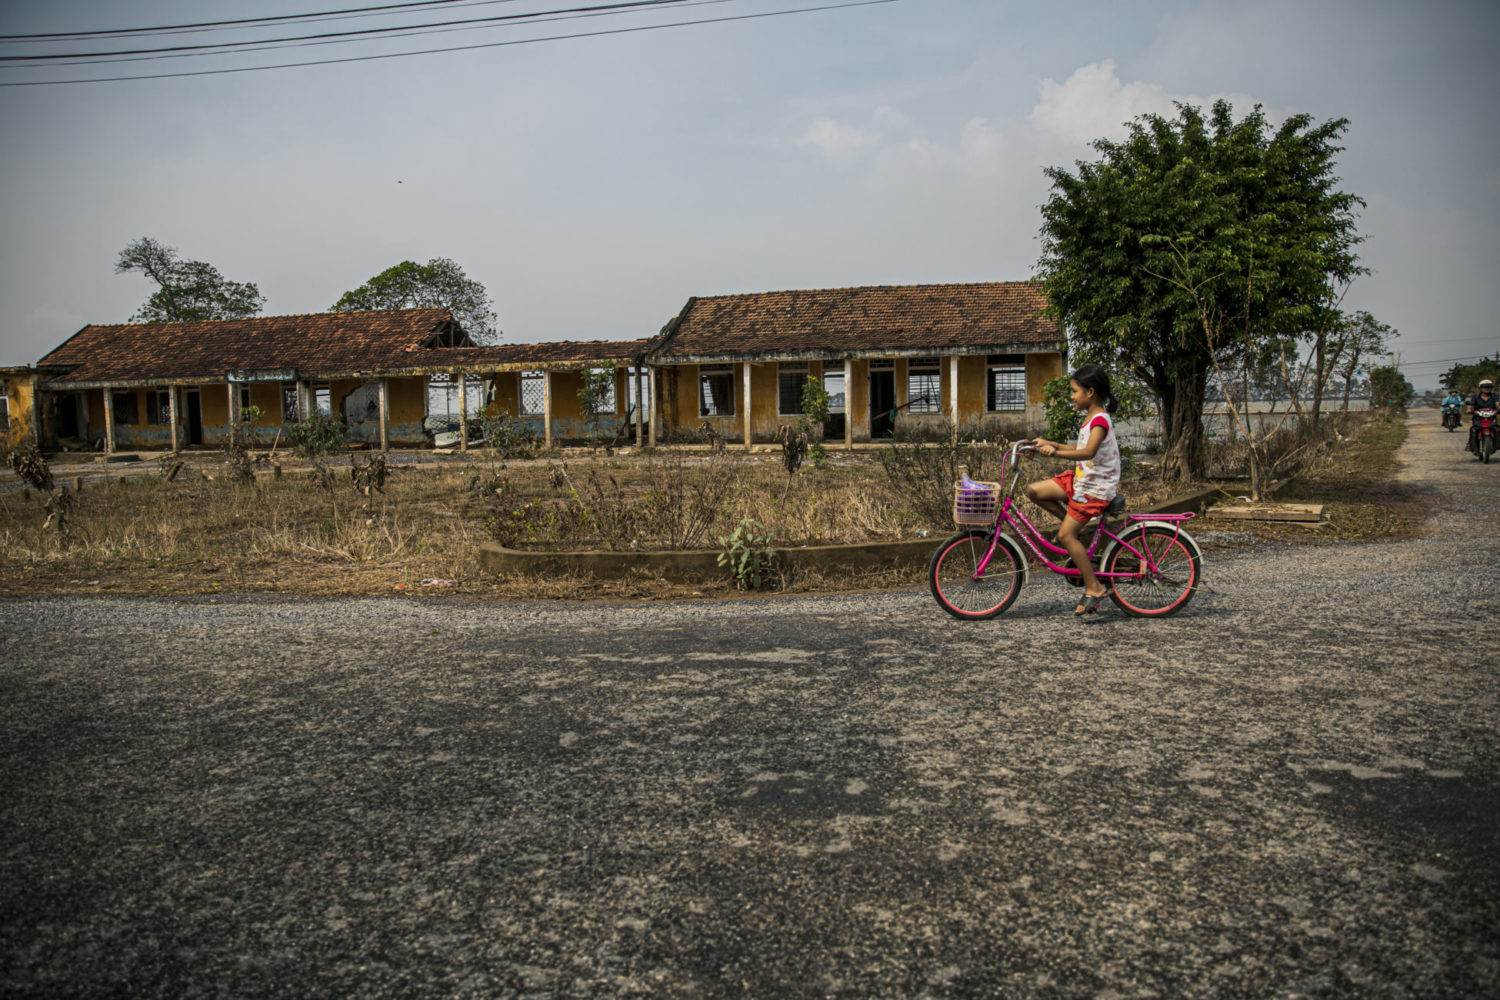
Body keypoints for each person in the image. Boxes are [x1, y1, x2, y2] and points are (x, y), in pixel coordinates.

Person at [1026, 364, 1121, 616]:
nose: (1071, 396)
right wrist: (1049, 443)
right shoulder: (1090, 417)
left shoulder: (1100, 419)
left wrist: (1054, 452)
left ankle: (1095, 587)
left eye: (1074, 391)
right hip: (1081, 479)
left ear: (1091, 392)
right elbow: (1078, 448)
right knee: (1034, 491)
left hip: (1095, 488)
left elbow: (1088, 452)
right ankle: (1071, 527)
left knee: (1067, 537)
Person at [1468, 378, 1497, 454]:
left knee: (1497, 430)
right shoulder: (1475, 396)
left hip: (1491, 418)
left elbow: (1498, 404)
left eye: (1489, 387)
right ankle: (1471, 446)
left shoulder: (1494, 396)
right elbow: (1471, 405)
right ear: (1480, 388)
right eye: (1485, 387)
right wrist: (1469, 409)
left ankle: (1497, 445)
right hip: (1478, 418)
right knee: (1473, 430)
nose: (1487, 389)